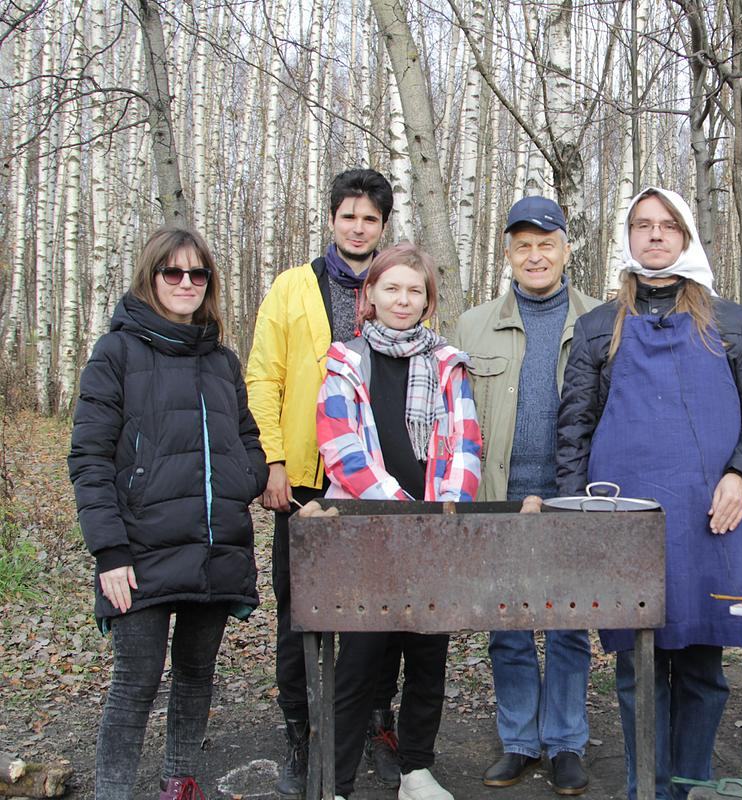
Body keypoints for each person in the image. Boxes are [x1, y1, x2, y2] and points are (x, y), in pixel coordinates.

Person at [557, 187, 742, 800]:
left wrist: (741, 474)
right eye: (641, 225)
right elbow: (574, 426)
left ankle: (693, 787)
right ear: (626, 239)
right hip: (625, 520)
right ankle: (645, 787)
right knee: (639, 667)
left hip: (712, 515)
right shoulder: (598, 325)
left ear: (685, 238)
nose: (654, 236)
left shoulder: (729, 320)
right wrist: (578, 514)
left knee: (704, 665)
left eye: (667, 226)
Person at [68, 227, 268, 800]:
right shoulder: (117, 353)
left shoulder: (222, 360)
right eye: (172, 273)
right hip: (140, 549)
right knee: (135, 681)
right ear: (150, 277)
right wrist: (109, 551)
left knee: (196, 674)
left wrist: (242, 481)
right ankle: (113, 791)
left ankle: (178, 781)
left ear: (209, 283)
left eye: (197, 274)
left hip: (213, 546)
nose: (185, 283)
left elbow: (247, 437)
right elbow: (89, 457)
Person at [245, 168, 414, 795]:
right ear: (332, 219)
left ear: (382, 226)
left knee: (385, 606)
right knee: (301, 608)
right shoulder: (293, 288)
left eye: (370, 218)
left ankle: (376, 720)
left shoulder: (395, 283)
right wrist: (274, 461)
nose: (358, 226)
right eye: (349, 215)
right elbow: (264, 376)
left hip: (381, 480)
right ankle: (303, 730)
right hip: (308, 479)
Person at [316, 242, 481, 800]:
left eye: (415, 290)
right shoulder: (346, 360)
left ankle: (416, 769)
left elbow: (465, 443)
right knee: (360, 662)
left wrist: (441, 513)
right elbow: (341, 449)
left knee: (427, 655)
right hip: (367, 531)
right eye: (392, 288)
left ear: (428, 299)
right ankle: (334, 782)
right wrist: (400, 509)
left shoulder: (447, 364)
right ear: (370, 297)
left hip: (433, 534)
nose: (403, 299)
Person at [451, 196, 600, 795]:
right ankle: (518, 740)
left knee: (568, 622)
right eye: (523, 246)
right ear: (507, 254)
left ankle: (565, 742)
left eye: (546, 244)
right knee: (507, 625)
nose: (535, 256)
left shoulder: (601, 319)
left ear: (567, 249)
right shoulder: (471, 325)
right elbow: (454, 418)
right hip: (499, 495)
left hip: (572, 495)